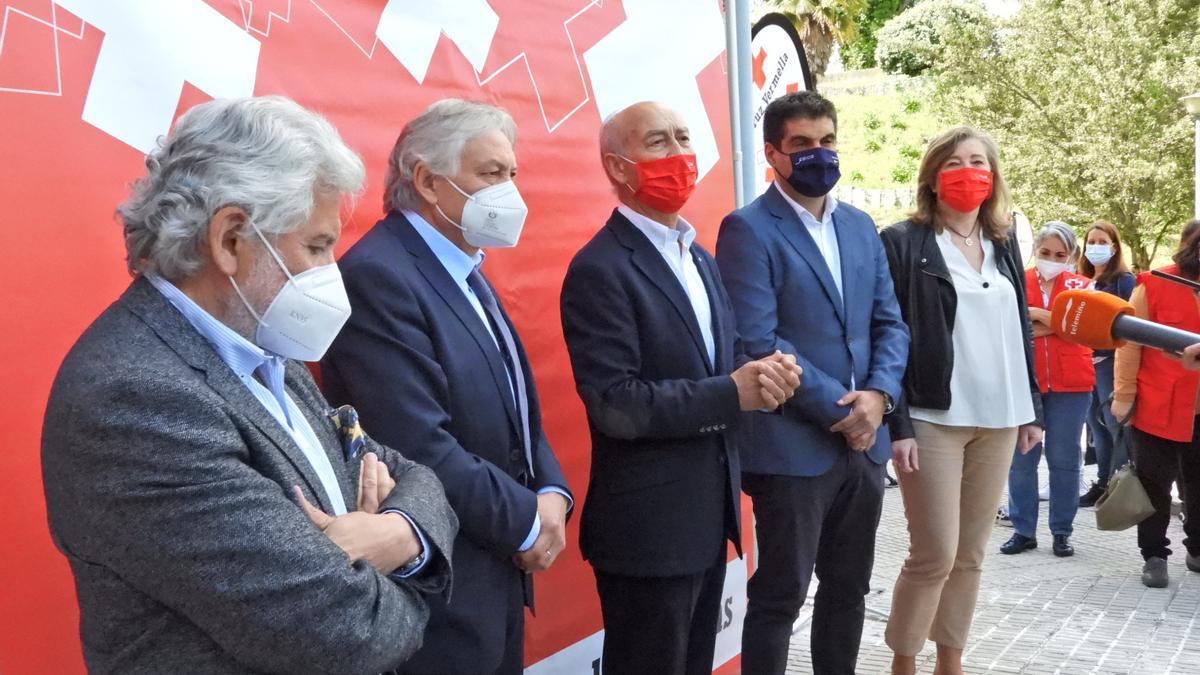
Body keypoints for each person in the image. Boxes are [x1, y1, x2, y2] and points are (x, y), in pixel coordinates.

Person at [41, 96, 457, 674]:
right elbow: (349, 633)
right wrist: (410, 566)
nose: (332, 269)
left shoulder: (262, 343)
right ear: (231, 239)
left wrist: (400, 533)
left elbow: (408, 472)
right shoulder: (134, 401)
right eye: (316, 246)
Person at [321, 99, 572, 675]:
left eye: (512, 174)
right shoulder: (380, 276)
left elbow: (517, 411)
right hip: (444, 597)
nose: (510, 190)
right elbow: (416, 445)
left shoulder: (464, 266)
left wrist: (552, 494)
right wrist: (526, 521)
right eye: (491, 174)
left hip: (495, 579)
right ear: (429, 183)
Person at [559, 101, 801, 675]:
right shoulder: (600, 267)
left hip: (703, 521)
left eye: (684, 138)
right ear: (619, 168)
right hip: (646, 533)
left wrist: (766, 374)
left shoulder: (698, 256)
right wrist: (731, 392)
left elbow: (727, 359)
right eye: (659, 142)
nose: (679, 155)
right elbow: (615, 403)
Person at [714, 91, 910, 675]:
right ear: (773, 153)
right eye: (801, 144)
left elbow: (889, 323)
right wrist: (844, 410)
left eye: (826, 141)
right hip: (793, 448)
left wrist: (877, 399)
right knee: (780, 597)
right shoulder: (747, 229)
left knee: (847, 593)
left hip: (864, 445)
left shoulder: (858, 225)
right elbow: (759, 341)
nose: (817, 154)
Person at [879, 126, 1044, 675]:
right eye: (954, 162)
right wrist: (896, 423)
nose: (968, 171)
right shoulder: (903, 241)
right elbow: (891, 333)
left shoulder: (1003, 244)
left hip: (998, 419)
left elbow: (1018, 328)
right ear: (932, 175)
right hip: (932, 418)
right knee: (934, 554)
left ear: (993, 176)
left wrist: (1032, 409)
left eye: (979, 161)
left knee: (971, 555)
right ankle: (904, 662)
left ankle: (951, 661)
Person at [1112, 219, 1200, 588]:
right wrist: (1123, 397)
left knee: (1198, 483)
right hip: (1157, 404)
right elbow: (1130, 343)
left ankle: (1197, 549)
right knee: (1154, 485)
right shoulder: (1154, 283)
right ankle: (1154, 555)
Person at [1002, 222, 1093, 558]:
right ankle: (1023, 530)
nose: (1052, 259)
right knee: (1022, 458)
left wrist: (1042, 317)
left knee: (1065, 459)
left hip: (1073, 384)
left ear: (1070, 256)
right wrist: (1059, 324)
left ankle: (1062, 532)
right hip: (1026, 383)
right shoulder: (1016, 281)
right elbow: (1012, 326)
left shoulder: (1082, 286)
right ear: (1035, 251)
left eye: (1060, 254)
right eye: (1045, 253)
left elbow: (1087, 330)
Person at [1077, 220, 1136, 506]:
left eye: (1103, 242)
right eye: (1091, 241)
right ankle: (1102, 483)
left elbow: (1132, 327)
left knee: (1115, 427)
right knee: (1096, 428)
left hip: (1110, 365)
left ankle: (1120, 488)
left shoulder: (1124, 281)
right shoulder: (1081, 280)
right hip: (1084, 364)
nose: (1096, 247)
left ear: (1114, 247)